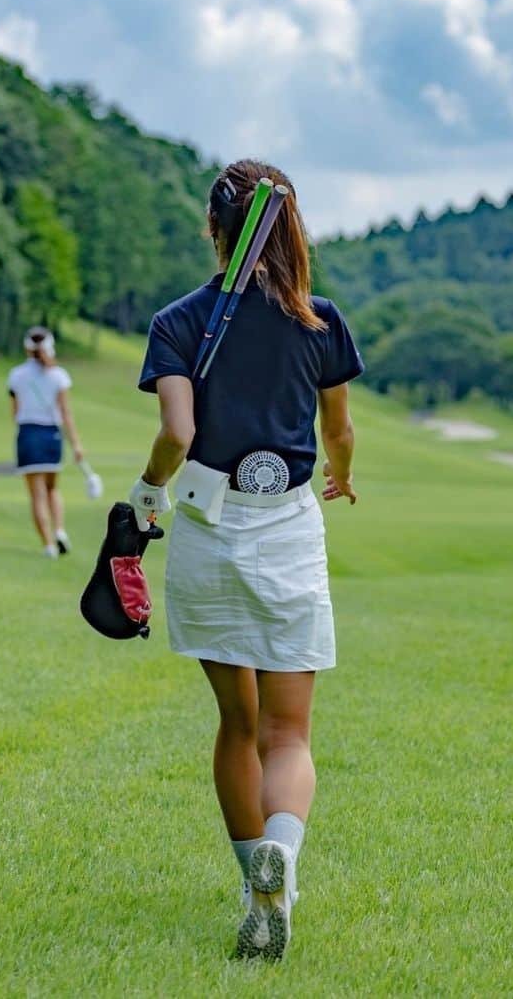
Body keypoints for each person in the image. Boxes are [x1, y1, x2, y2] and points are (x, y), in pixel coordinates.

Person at [129, 159, 363, 962]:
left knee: (236, 723)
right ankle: (283, 861)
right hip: (290, 528)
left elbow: (176, 437)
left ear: (213, 228)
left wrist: (144, 495)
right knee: (288, 734)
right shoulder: (320, 320)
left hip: (208, 530)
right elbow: (339, 431)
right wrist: (342, 475)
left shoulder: (177, 321)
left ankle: (249, 876)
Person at [8, 326, 85, 559]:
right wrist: (77, 445)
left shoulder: (16, 375)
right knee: (52, 489)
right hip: (52, 435)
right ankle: (60, 530)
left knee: (37, 494)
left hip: (28, 434)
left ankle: (48, 546)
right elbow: (66, 413)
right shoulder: (59, 375)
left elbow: (15, 412)